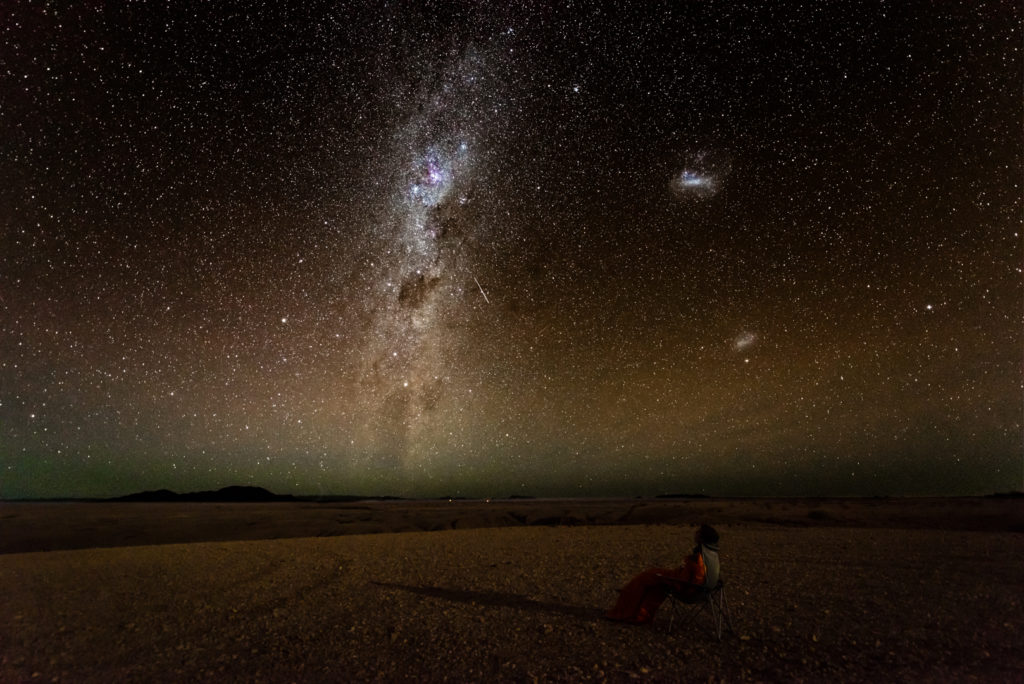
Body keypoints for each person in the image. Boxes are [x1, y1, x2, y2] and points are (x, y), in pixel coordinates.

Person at [605, 524, 720, 625]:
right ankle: (639, 614)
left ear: (701, 538)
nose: (695, 533)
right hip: (702, 590)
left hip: (688, 589)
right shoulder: (711, 555)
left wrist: (668, 578)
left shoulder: (698, 558)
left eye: (698, 532)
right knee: (652, 578)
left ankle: (625, 611)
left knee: (646, 580)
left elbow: (684, 581)